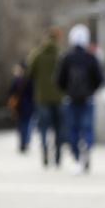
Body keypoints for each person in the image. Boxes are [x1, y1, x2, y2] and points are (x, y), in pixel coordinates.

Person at [57, 23, 104, 174]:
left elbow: (59, 80)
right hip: (88, 99)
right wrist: (91, 90)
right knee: (88, 128)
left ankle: (77, 158)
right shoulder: (91, 58)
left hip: (71, 99)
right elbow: (99, 78)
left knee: (73, 129)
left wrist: (67, 91)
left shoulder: (66, 58)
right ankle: (87, 147)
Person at [26, 27, 65, 168]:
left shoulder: (37, 54)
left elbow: (29, 74)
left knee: (43, 128)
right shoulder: (60, 54)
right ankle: (58, 155)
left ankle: (45, 154)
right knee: (59, 128)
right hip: (59, 97)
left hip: (42, 97)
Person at [8, 61, 35, 154]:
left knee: (21, 125)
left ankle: (22, 142)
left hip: (19, 106)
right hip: (28, 106)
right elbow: (33, 93)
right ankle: (26, 141)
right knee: (27, 125)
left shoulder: (16, 80)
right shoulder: (30, 80)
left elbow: (11, 92)